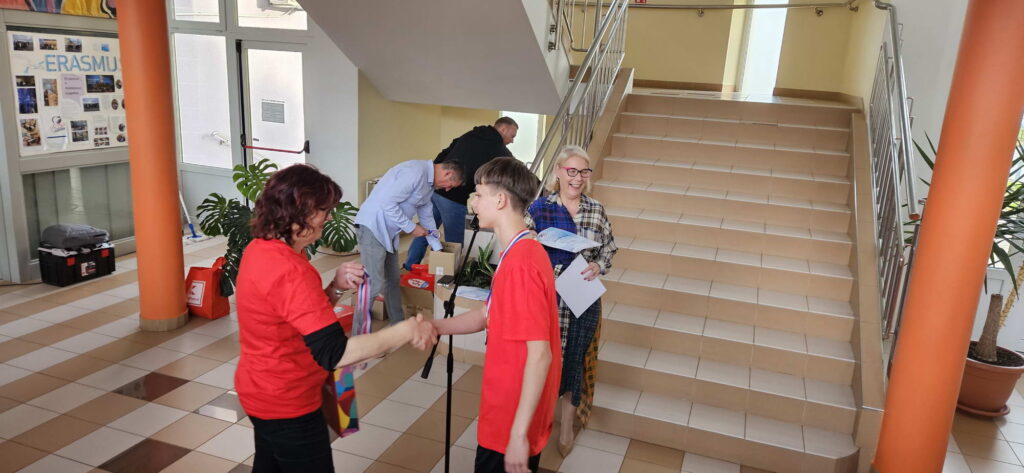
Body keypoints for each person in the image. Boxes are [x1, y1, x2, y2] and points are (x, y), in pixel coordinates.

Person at [233, 164, 437, 473]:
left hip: (260, 387)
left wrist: (334, 288)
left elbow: (294, 315)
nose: (329, 218)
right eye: (324, 210)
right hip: (286, 401)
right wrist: (405, 331)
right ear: (299, 212)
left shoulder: (263, 248)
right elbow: (334, 353)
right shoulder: (289, 269)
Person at [431, 157, 560, 473]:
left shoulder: (521, 264)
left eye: (478, 194)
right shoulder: (517, 251)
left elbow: (540, 354)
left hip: (511, 418)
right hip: (504, 406)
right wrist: (434, 326)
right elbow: (486, 315)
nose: (473, 202)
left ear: (500, 200)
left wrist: (518, 435)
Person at [524, 145, 617, 456]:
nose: (578, 178)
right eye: (572, 171)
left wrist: (598, 266)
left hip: (582, 299)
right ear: (558, 172)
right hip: (546, 298)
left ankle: (566, 427)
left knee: (574, 364)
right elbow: (520, 249)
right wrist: (531, 244)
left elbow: (609, 249)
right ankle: (536, 423)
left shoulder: (596, 210)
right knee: (542, 361)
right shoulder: (539, 209)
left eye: (584, 172)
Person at [354, 159, 464, 333]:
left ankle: (399, 327)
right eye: (450, 185)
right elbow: (387, 203)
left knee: (392, 281)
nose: (448, 189)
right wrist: (411, 227)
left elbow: (427, 216)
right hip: (372, 227)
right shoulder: (414, 172)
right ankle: (358, 337)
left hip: (388, 233)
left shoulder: (429, 185)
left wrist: (438, 247)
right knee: (373, 285)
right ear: (447, 173)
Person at [403, 117, 518, 270]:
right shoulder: (497, 147)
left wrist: (435, 178)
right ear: (503, 129)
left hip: (436, 189)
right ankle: (450, 275)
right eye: (512, 136)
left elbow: (446, 151)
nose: (512, 141)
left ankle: (410, 266)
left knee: (426, 230)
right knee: (455, 241)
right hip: (454, 198)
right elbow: (515, 168)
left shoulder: (470, 135)